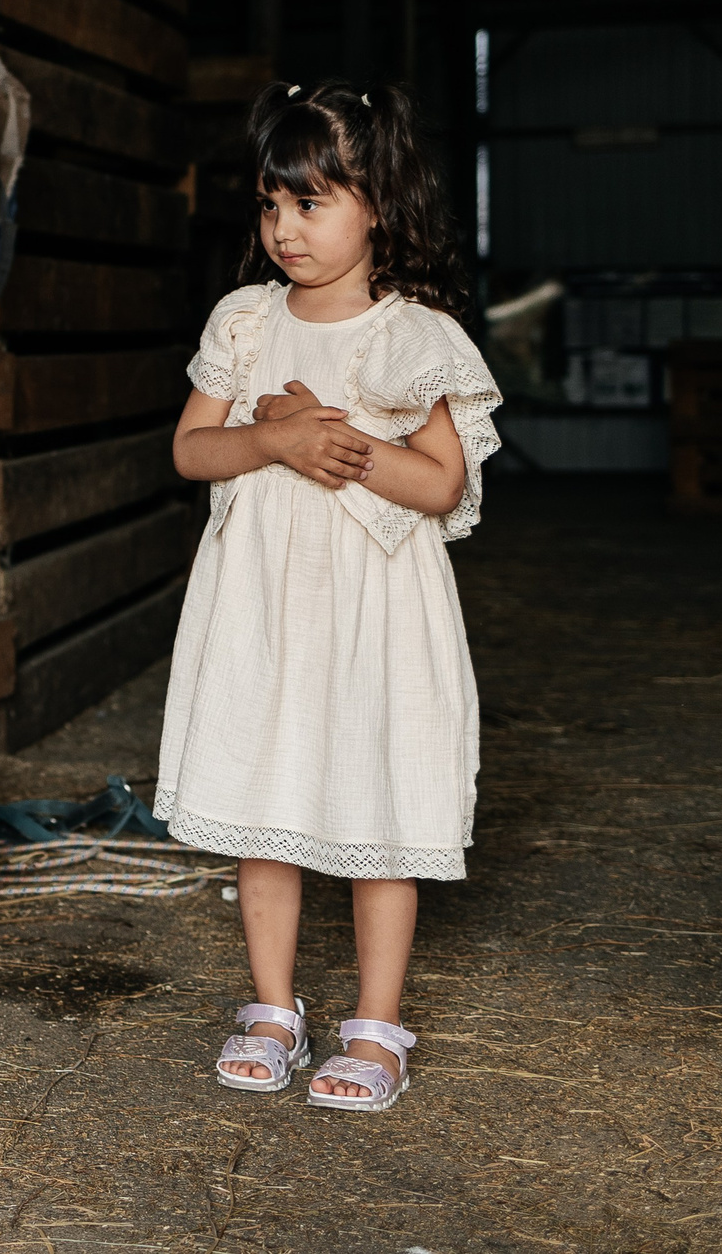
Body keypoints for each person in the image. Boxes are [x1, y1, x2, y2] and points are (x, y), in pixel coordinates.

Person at [158, 80, 502, 1111]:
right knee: (266, 799)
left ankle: (374, 1021)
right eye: (269, 205)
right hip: (262, 597)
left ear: (379, 206)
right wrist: (270, 438)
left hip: (373, 605)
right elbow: (189, 448)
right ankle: (271, 1005)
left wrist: (336, 438)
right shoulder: (246, 320)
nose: (283, 229)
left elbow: (439, 481)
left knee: (371, 793)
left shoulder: (415, 334)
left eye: (310, 204)